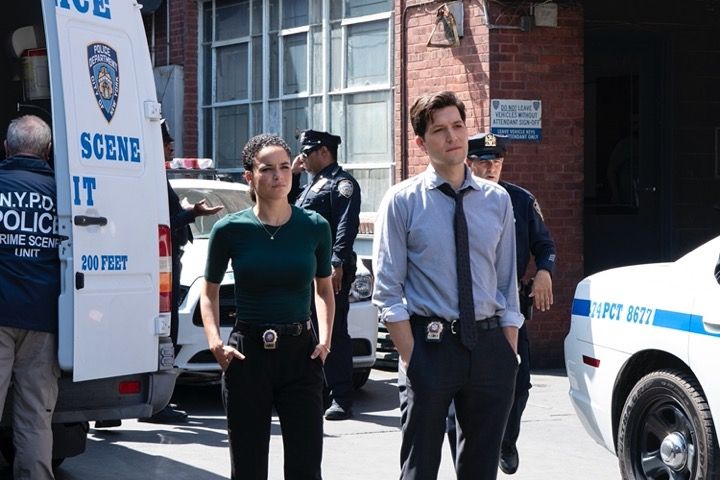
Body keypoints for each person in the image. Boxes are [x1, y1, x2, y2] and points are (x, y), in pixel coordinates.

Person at [372, 91, 523, 480]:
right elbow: (387, 291)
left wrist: (507, 349)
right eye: (439, 130)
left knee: (480, 471)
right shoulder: (402, 201)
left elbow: (507, 281)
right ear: (421, 142)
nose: (452, 136)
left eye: (458, 126)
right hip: (430, 346)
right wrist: (413, 358)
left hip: (489, 348)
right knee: (419, 469)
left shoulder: (497, 200)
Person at [200, 133, 335, 479]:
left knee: (306, 467)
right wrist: (215, 342)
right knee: (248, 466)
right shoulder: (229, 230)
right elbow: (209, 291)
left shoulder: (314, 227)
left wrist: (325, 340)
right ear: (250, 176)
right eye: (268, 169)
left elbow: (323, 289)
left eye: (285, 167)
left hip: (301, 354)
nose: (278, 176)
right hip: (247, 355)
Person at [445, 132, 557, 475]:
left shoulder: (519, 200)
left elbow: (545, 244)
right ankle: (466, 459)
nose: (491, 167)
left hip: (508, 309)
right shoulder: (451, 198)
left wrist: (544, 272)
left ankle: (506, 441)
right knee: (457, 393)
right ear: (469, 162)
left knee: (517, 385)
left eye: (496, 161)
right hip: (461, 309)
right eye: (483, 161)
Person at [140, 119, 222, 423]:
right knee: (165, 331)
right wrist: (192, 213)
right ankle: (158, 403)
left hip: (170, 260)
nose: (171, 146)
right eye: (165, 141)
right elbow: (161, 222)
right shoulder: (149, 177)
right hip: (163, 262)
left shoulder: (155, 174)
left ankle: (158, 399)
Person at [0, 115, 60, 480]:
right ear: (48, 151)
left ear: (6, 148)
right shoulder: (64, 193)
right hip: (43, 317)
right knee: (36, 416)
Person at [289, 129, 361, 420]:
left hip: (329, 269)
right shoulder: (311, 185)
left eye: (307, 153)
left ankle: (341, 396)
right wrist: (293, 176)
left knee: (334, 331)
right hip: (306, 267)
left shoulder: (341, 184)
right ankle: (318, 393)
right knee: (310, 333)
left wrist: (337, 261)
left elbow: (346, 224)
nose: (302, 159)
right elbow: (289, 210)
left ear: (323, 152)